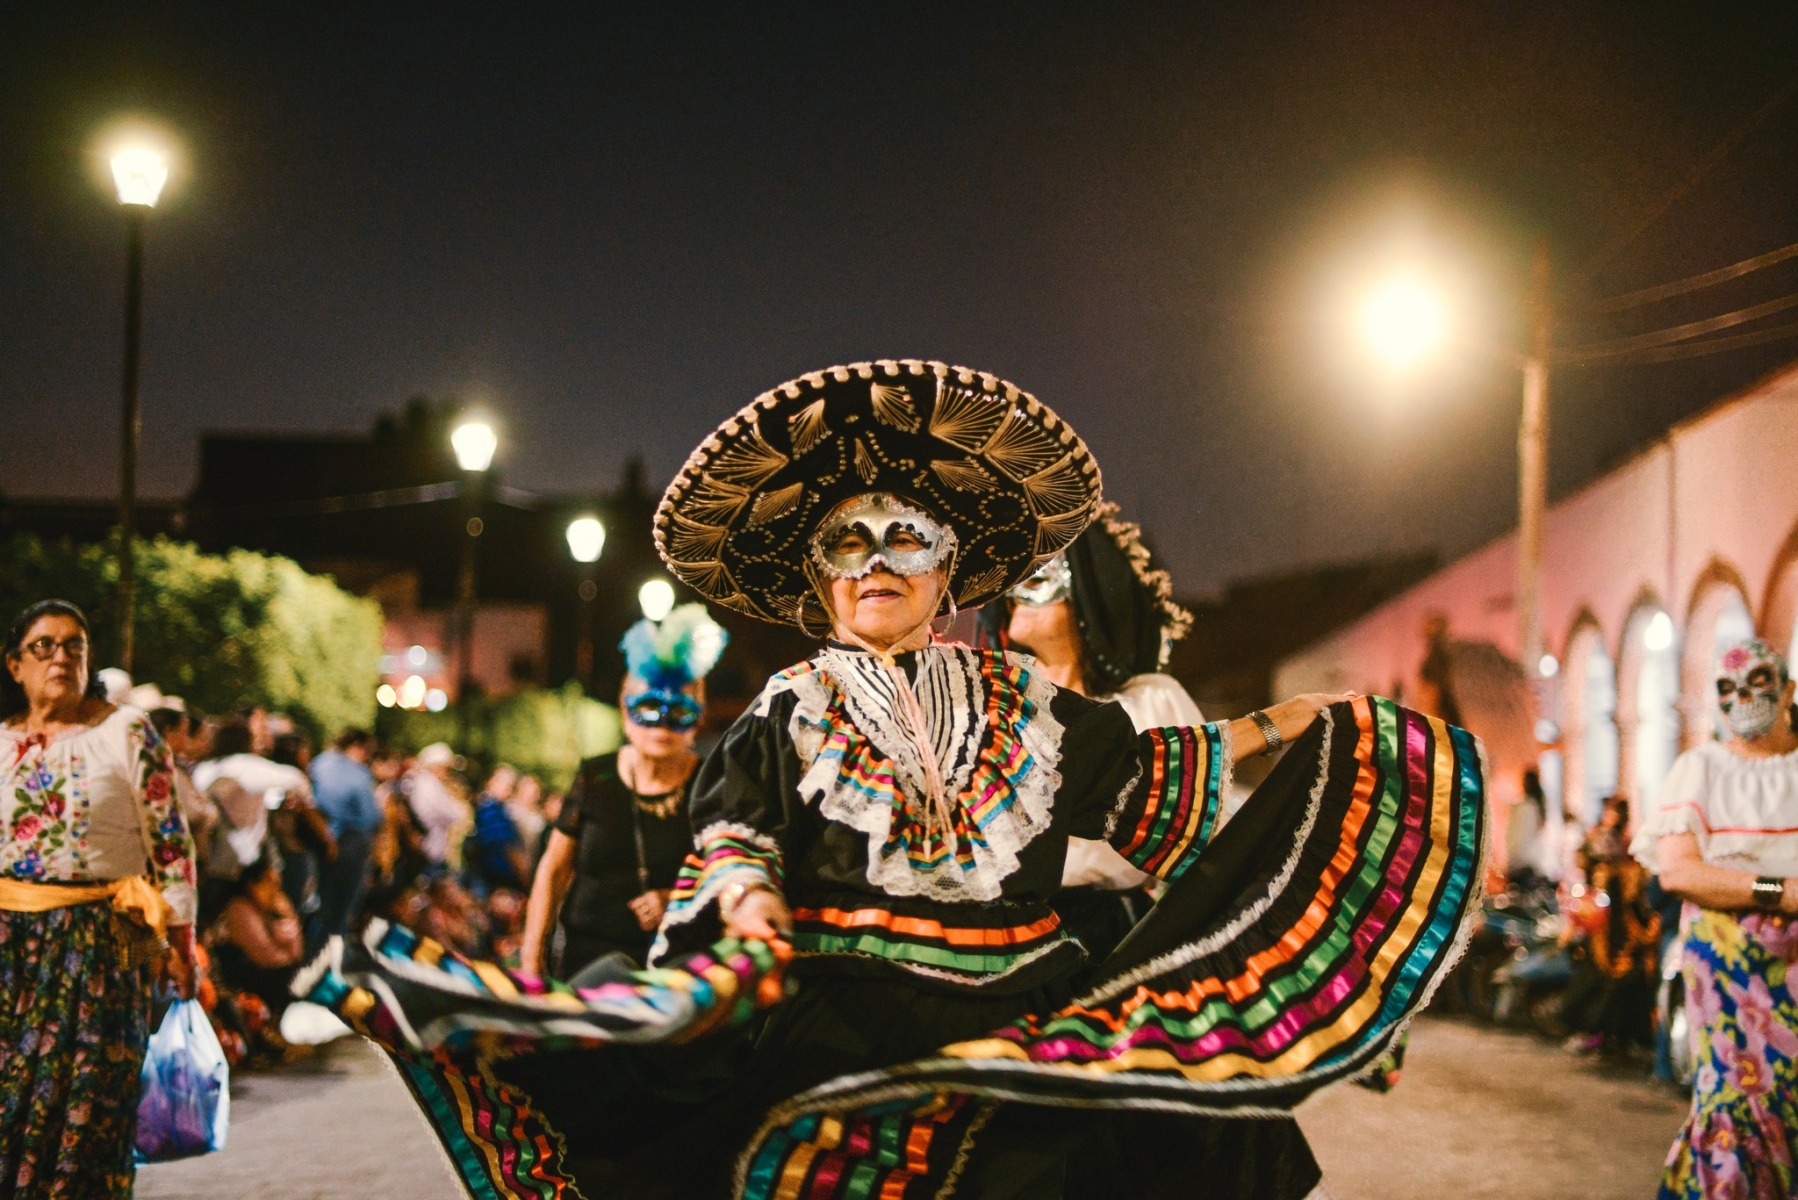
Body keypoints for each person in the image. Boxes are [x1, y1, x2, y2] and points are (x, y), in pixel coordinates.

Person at [303, 361, 1486, 1199]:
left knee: (1168, 1138)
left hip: (1021, 1006)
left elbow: (1162, 768)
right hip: (845, 1014)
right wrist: (748, 907)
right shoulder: (789, 705)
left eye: (903, 537)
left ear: (948, 570)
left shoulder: (1024, 702)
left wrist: (1303, 720)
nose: (875, 561)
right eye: (846, 543)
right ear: (819, 581)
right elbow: (736, 828)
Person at [0, 599, 198, 1197]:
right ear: (15, 665)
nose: (60, 657)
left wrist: (182, 943)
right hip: (9, 948)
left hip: (100, 946)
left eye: (74, 646)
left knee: (85, 1106)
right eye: (43, 646)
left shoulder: (126, 731)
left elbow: (171, 843)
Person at [982, 503, 1201, 962]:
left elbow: (1201, 829)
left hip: (1117, 937)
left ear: (1090, 594)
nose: (1016, 593)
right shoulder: (989, 709)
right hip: (1002, 937)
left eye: (1038, 577)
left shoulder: (1150, 702)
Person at [1631, 638, 1798, 1198]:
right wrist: (1780, 892)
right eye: (1727, 688)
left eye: (1757, 682)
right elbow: (1679, 872)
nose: (1742, 697)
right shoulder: (1700, 768)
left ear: (1788, 690)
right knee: (1739, 1099)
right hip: (1729, 966)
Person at [520, 604, 727, 976]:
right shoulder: (595, 776)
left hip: (674, 971)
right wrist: (532, 960)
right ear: (624, 711)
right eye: (648, 706)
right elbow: (553, 871)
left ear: (698, 716)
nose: (662, 724)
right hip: (585, 963)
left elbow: (731, 874)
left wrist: (679, 898)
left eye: (679, 711)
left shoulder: (711, 785)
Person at [208, 855, 305, 1017]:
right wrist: (288, 957)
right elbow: (266, 956)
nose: (274, 891)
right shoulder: (239, 909)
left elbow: (296, 953)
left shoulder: (268, 911)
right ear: (252, 885)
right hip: (240, 977)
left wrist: (288, 916)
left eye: (277, 885)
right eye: (268, 883)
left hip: (267, 973)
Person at [310, 727, 383, 940]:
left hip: (318, 836)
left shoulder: (319, 762)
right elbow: (370, 816)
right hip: (350, 842)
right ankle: (330, 948)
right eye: (368, 751)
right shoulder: (358, 773)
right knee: (341, 906)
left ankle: (311, 946)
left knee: (320, 899)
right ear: (357, 746)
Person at [465, 764, 532, 896]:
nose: (508, 790)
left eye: (511, 786)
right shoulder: (490, 809)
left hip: (495, 877)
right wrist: (524, 876)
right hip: (494, 879)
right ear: (491, 781)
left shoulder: (498, 808)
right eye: (504, 784)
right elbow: (508, 847)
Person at [402, 742, 468, 872]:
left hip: (428, 851)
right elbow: (454, 814)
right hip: (429, 852)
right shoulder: (429, 785)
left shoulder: (423, 782)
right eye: (447, 768)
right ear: (436, 767)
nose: (449, 773)